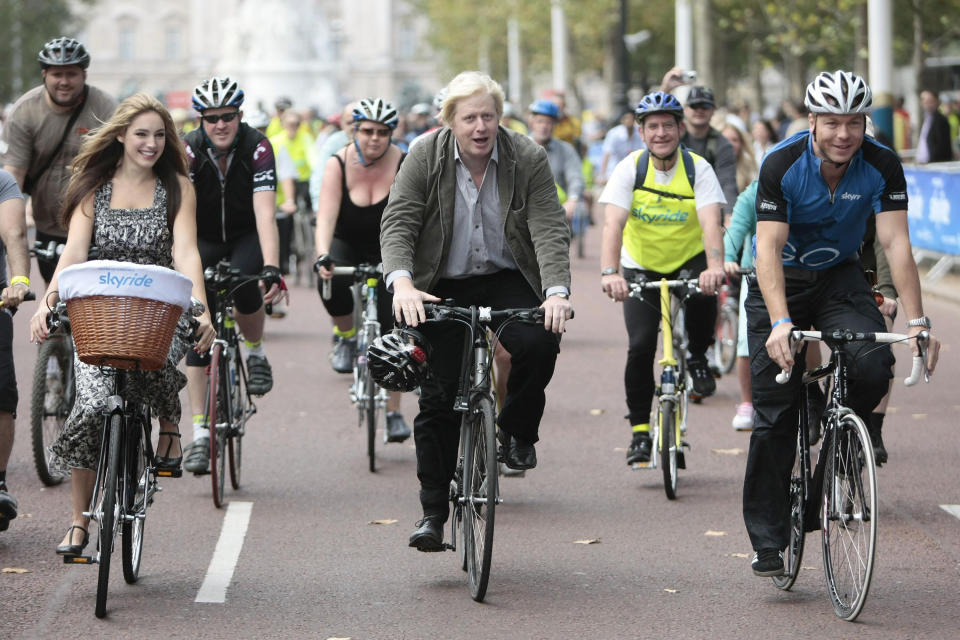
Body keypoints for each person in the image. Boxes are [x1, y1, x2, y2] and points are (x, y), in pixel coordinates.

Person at [743, 70, 940, 577]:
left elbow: (896, 243)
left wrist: (918, 322)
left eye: (854, 122)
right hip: (779, 282)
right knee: (774, 416)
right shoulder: (781, 163)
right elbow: (766, 248)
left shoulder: (881, 164)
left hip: (839, 277)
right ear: (812, 121)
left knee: (875, 365)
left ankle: (842, 448)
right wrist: (781, 321)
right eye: (832, 122)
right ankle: (768, 538)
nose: (844, 134)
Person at [379, 71, 572, 551]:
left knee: (538, 341)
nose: (480, 126)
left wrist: (556, 291)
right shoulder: (425, 154)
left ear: (500, 118)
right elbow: (400, 220)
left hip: (509, 275)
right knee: (438, 397)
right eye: (469, 118)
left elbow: (548, 226)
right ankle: (432, 513)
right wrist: (401, 282)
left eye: (488, 116)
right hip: (440, 280)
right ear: (450, 122)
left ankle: (517, 431)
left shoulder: (527, 155)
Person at [27, 94, 215, 555]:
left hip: (156, 311)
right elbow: (74, 252)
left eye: (158, 135)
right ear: (120, 137)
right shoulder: (94, 187)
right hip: (100, 312)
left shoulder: (176, 188)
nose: (150, 144)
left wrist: (202, 309)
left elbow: (186, 252)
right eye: (141, 135)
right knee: (90, 407)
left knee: (156, 364)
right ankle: (79, 522)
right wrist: (47, 301)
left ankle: (168, 422)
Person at [598, 91, 725, 465]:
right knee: (639, 346)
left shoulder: (698, 168)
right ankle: (639, 432)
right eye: (652, 126)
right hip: (642, 263)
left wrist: (715, 267)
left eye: (668, 125)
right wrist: (610, 272)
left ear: (680, 129)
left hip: (689, 258)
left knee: (705, 292)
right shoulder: (630, 168)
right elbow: (613, 224)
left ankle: (699, 357)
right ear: (641, 132)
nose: (660, 133)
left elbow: (710, 222)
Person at [181, 76, 284, 474]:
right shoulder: (187, 149)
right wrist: (182, 264)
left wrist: (271, 267)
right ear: (201, 120)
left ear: (240, 116)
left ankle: (256, 352)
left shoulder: (257, 145)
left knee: (246, 283)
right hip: (202, 236)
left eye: (228, 117)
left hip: (244, 233)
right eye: (211, 118)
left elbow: (264, 211)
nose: (220, 125)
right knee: (197, 327)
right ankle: (200, 433)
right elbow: (182, 215)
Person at [313, 98, 412, 442]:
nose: (374, 139)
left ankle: (394, 411)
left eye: (383, 133)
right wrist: (323, 254)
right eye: (367, 131)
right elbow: (325, 216)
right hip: (347, 241)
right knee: (329, 279)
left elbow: (415, 217)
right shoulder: (337, 164)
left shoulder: (404, 161)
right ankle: (344, 335)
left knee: (395, 324)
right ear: (354, 131)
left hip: (389, 245)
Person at [1, 36, 117, 283]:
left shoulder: (106, 108)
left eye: (71, 74)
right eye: (57, 74)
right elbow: (13, 180)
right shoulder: (24, 112)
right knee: (56, 305)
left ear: (84, 75)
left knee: (97, 307)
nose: (64, 81)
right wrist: (12, 235)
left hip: (99, 228)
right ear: (44, 74)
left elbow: (124, 170)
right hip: (49, 228)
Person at [0, 169, 30, 533]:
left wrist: (19, 280)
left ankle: (0, 481)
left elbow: (14, 234)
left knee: (2, 394)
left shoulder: (2, 182)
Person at [599, 109, 644, 185]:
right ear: (622, 120)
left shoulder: (640, 133)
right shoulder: (614, 134)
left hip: (634, 171)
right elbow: (607, 154)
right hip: (615, 171)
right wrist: (602, 176)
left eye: (631, 118)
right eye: (626, 118)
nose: (629, 120)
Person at [916, 90, 953, 164]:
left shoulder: (941, 120)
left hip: (935, 165)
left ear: (936, 101)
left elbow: (942, 148)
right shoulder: (926, 119)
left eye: (930, 100)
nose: (926, 104)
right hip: (923, 164)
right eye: (923, 100)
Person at [720, 123, 758, 194]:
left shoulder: (751, 168)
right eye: (726, 139)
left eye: (735, 140)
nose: (730, 144)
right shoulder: (710, 166)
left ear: (741, 143)